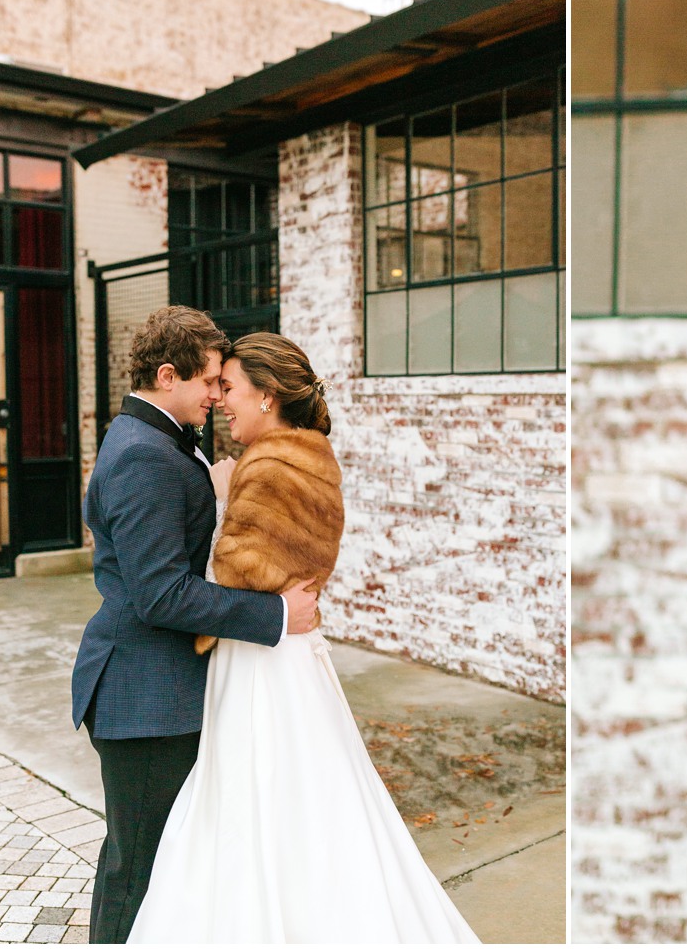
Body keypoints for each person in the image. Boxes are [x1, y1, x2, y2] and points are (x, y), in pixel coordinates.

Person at [127, 332, 479, 943]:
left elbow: (237, 575)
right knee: (311, 797)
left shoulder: (265, 468)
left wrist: (221, 496)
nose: (222, 401)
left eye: (230, 388)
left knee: (258, 800)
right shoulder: (314, 455)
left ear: (266, 396)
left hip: (260, 657)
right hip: (290, 650)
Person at [72, 307, 321, 944]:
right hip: (145, 699)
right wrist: (275, 615)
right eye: (210, 380)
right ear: (166, 375)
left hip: (161, 693)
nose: (217, 394)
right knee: (140, 868)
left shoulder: (156, 443)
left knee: (163, 863)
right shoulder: (144, 454)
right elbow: (160, 594)